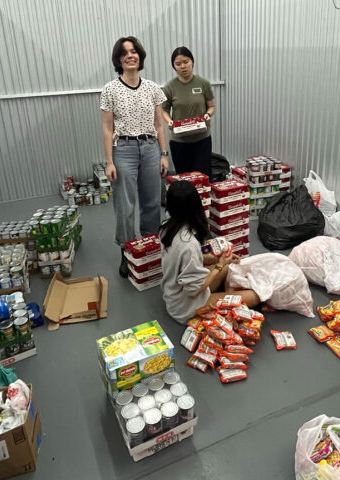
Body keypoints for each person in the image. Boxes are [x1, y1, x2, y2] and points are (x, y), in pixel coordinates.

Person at [100, 36, 169, 278]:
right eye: (125, 52)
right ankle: (127, 251)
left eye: (134, 51)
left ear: (140, 56)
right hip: (124, 150)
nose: (130, 55)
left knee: (151, 202)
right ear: (119, 59)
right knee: (125, 205)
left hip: (150, 148)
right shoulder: (110, 90)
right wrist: (109, 161)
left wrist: (163, 153)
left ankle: (150, 248)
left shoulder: (152, 88)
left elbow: (159, 124)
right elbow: (107, 128)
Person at [160, 181, 260, 323]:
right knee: (254, 296)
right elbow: (194, 291)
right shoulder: (188, 245)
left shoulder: (166, 228)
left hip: (173, 297)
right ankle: (225, 303)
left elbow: (183, 260)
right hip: (187, 308)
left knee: (228, 266)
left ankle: (226, 297)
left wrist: (215, 260)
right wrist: (218, 266)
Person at [161, 47, 215, 176]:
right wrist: (169, 121)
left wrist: (208, 115)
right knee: (184, 179)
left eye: (186, 62)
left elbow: (211, 106)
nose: (183, 66)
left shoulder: (203, 84)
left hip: (202, 139)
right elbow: (164, 109)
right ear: (174, 66)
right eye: (178, 64)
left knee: (202, 178)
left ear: (192, 62)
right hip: (179, 141)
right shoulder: (170, 87)